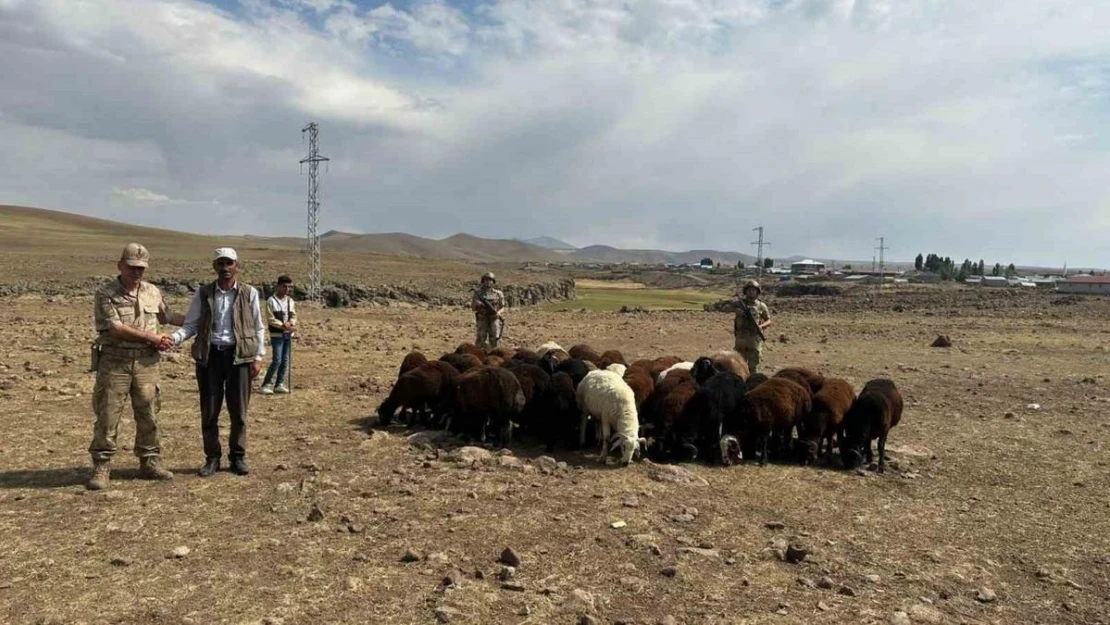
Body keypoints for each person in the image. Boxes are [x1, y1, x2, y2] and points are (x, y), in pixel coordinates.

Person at [87, 243, 183, 490]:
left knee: (149, 412)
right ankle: (102, 464)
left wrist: (202, 319)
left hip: (147, 363)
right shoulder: (106, 292)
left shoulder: (152, 291)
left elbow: (167, 317)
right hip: (115, 361)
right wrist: (153, 338)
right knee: (108, 414)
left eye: (141, 268)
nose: (137, 272)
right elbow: (115, 327)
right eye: (132, 267)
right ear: (120, 265)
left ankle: (149, 461)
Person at [170, 247, 266, 477]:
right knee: (210, 411)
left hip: (239, 356)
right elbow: (192, 324)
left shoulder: (249, 293)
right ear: (214, 267)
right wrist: (174, 339)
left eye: (229, 263)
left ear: (236, 266)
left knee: (239, 412)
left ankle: (238, 457)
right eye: (220, 264)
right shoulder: (204, 294)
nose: (225, 268)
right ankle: (212, 458)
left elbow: (258, 326)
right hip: (210, 356)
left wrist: (259, 357)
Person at [720, 279, 772, 373]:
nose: (751, 292)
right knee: (738, 366)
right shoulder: (740, 303)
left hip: (754, 340)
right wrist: (735, 310)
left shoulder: (761, 306)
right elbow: (724, 309)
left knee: (753, 368)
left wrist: (761, 326)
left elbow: (768, 320)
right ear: (746, 291)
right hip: (741, 339)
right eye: (749, 290)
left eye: (754, 290)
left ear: (757, 292)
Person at [260, 275, 296, 394]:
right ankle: (266, 384)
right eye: (284, 286)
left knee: (285, 360)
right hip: (277, 335)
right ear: (278, 286)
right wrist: (282, 325)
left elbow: (293, 315)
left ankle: (279, 383)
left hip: (288, 335)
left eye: (289, 287)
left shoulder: (290, 301)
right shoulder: (271, 301)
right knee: (277, 360)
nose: (286, 289)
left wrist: (291, 323)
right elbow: (271, 319)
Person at [470, 272, 505, 349]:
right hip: (483, 318)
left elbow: (502, 307)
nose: (488, 282)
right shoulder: (478, 293)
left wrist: (498, 313)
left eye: (490, 280)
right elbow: (473, 308)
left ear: (493, 281)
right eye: (486, 280)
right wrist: (477, 304)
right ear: (483, 281)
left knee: (495, 339)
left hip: (494, 318)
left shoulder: (498, 294)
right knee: (481, 339)